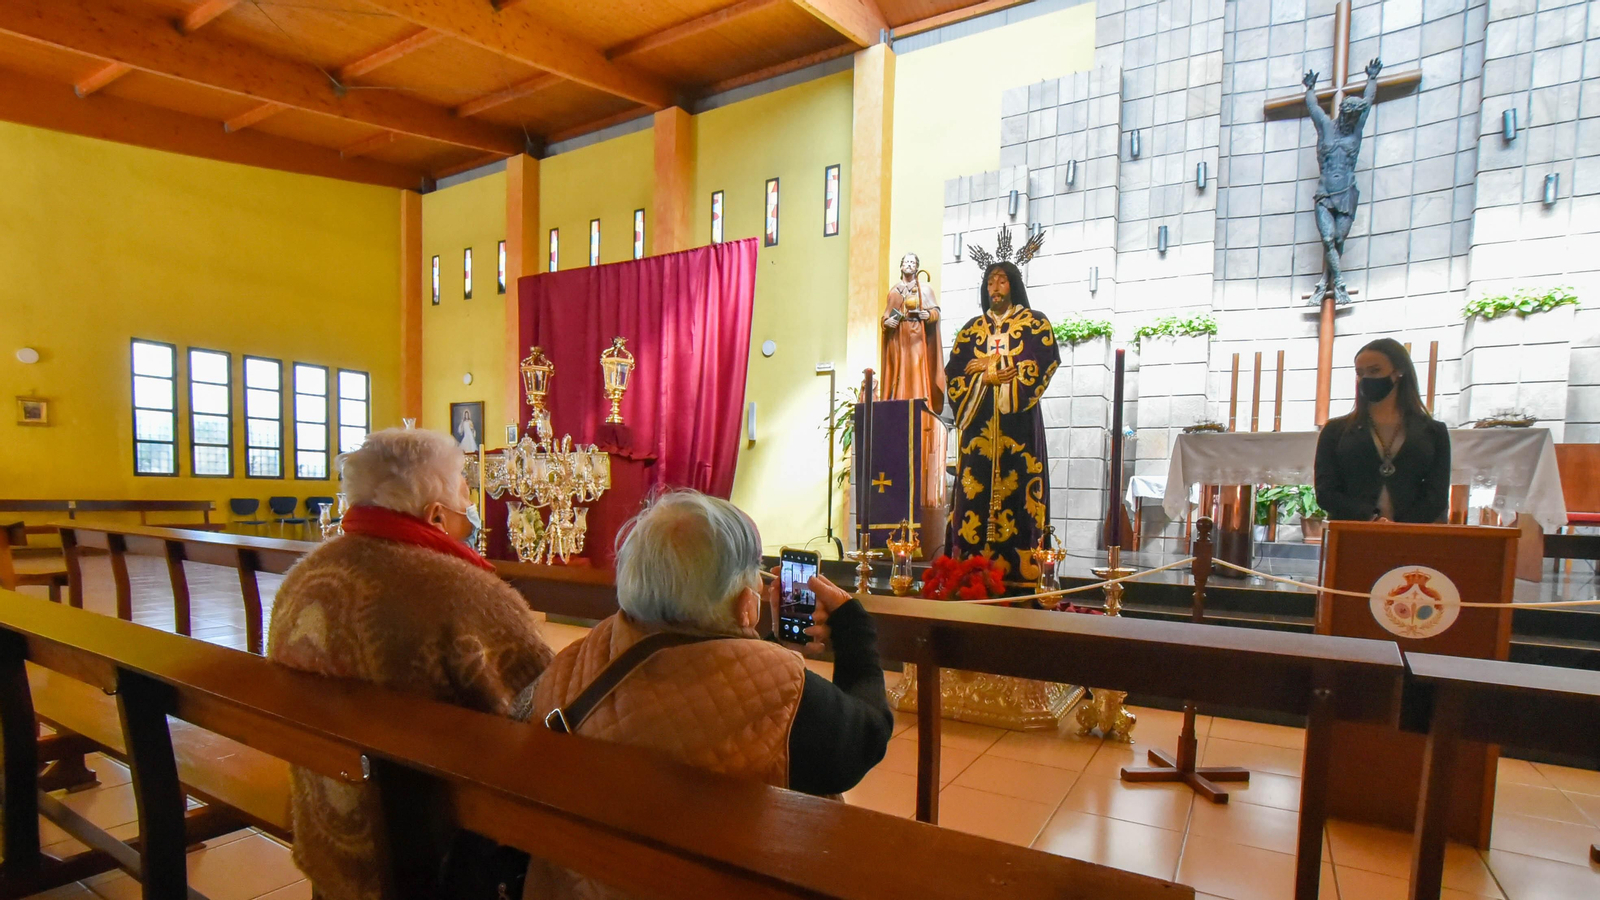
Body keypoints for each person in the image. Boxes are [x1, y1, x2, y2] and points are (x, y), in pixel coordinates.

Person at [519, 490, 893, 899]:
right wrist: (856, 629)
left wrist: (759, 643)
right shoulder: (786, 689)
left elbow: (700, 670)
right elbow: (867, 736)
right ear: (747, 602)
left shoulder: (576, 661)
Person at [268, 427, 553, 900]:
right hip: (428, 843)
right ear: (436, 515)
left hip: (328, 822)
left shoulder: (303, 577)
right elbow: (540, 699)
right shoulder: (462, 591)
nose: (471, 504)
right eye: (466, 487)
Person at [943, 260, 1060, 578]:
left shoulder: (1035, 324)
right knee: (973, 493)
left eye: (1002, 281)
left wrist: (989, 366)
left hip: (1018, 429)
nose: (995, 287)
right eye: (990, 281)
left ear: (1014, 285)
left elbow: (1044, 359)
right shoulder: (970, 330)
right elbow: (955, 373)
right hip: (978, 428)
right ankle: (967, 575)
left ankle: (1023, 575)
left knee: (1020, 493)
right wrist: (990, 375)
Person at [1314, 338, 1451, 523]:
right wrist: (1370, 517)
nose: (1366, 379)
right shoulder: (1336, 431)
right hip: (1353, 531)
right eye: (1360, 373)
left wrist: (1400, 527)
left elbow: (1437, 495)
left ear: (1399, 371)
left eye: (1375, 370)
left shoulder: (1433, 432)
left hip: (1413, 535)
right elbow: (1326, 492)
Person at [1303, 58, 1382, 306]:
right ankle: (1338, 283)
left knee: (1338, 239)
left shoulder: (1356, 132)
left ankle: (1324, 280)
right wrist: (1310, 89)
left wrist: (1372, 79)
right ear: (1343, 115)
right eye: (1350, 118)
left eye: (1356, 119)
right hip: (1325, 193)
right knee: (1328, 239)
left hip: (1347, 192)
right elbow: (1313, 108)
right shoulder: (1326, 128)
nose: (1353, 123)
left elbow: (1367, 101)